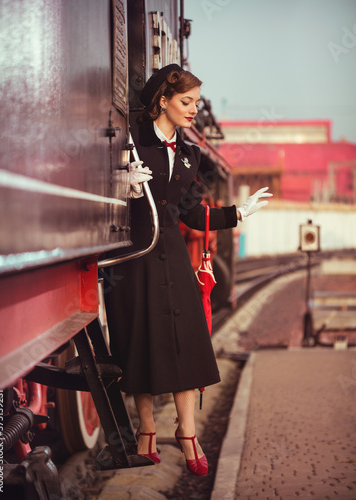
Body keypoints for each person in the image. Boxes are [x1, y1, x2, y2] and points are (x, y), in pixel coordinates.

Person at [105, 64, 272, 476]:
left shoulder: (189, 154)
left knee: (186, 340)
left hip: (173, 255)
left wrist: (237, 213)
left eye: (197, 102)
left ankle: (188, 431)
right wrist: (119, 183)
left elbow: (193, 213)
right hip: (134, 256)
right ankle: (146, 433)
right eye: (187, 101)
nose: (194, 109)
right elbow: (102, 196)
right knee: (140, 339)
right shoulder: (129, 143)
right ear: (162, 100)